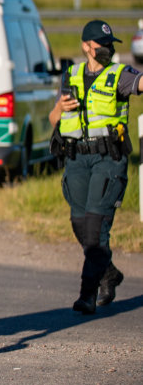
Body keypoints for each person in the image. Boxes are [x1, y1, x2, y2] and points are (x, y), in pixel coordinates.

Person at [49, 19, 141, 314]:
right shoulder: (71, 75)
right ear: (86, 46)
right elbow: (54, 121)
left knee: (95, 230)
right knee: (80, 225)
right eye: (103, 45)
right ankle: (110, 273)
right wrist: (59, 109)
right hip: (76, 160)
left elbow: (141, 83)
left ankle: (87, 295)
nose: (109, 49)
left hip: (108, 160)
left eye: (111, 45)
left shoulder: (120, 74)